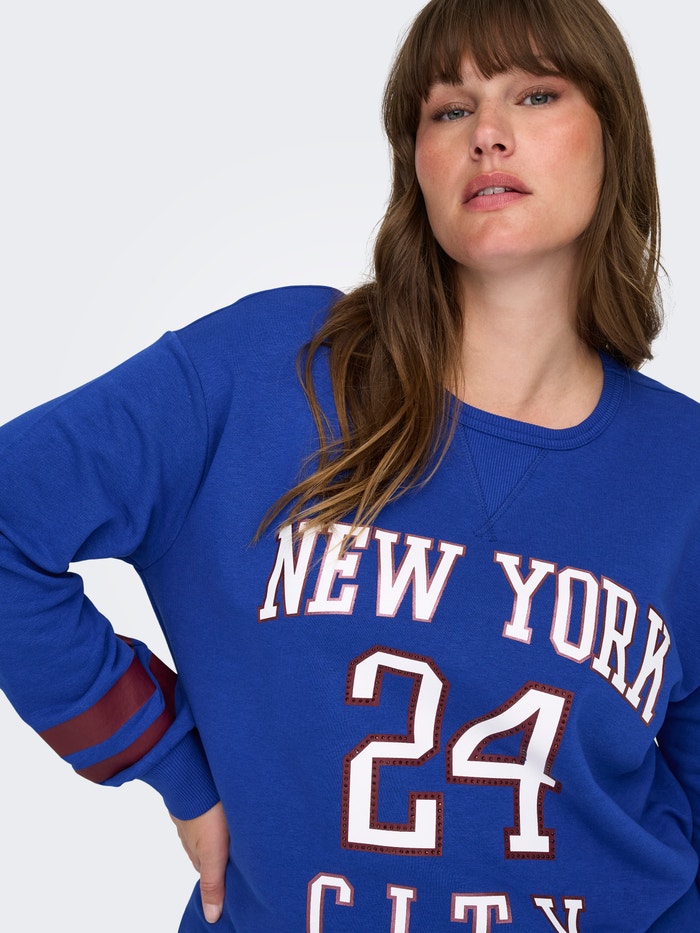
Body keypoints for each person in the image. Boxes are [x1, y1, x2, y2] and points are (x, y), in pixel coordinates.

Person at [0, 0, 697, 929]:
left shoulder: (683, 467)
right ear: (418, 162)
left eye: (536, 94)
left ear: (615, 138)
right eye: (450, 109)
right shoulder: (266, 369)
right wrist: (169, 762)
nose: (488, 133)